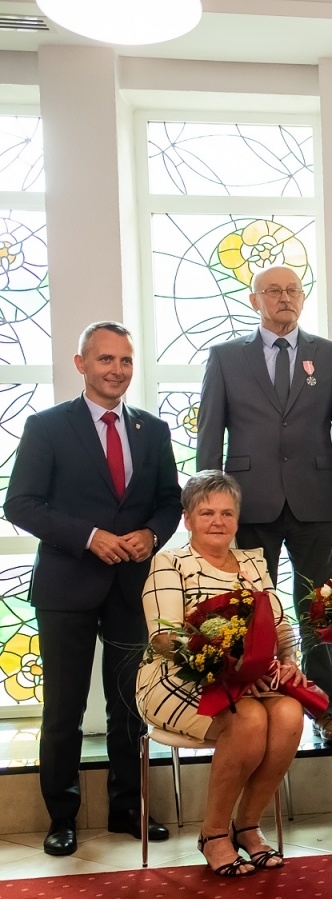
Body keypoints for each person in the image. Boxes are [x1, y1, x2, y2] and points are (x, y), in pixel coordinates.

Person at [4, 321, 183, 858]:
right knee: (64, 708)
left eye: (126, 361)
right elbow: (21, 504)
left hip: (132, 586)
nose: (117, 370)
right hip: (66, 586)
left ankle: (129, 808)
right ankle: (62, 816)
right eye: (106, 360)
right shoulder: (47, 427)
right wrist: (89, 538)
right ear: (82, 364)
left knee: (130, 704)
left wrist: (151, 534)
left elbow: (169, 502)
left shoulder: (153, 430)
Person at [197, 264, 332, 717]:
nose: (283, 298)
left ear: (304, 298)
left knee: (317, 603)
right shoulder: (226, 357)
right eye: (273, 291)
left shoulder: (329, 355)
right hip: (249, 502)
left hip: (315, 499)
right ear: (255, 300)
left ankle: (321, 699)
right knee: (252, 605)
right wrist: (209, 506)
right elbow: (210, 434)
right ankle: (257, 689)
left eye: (292, 290)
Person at [137, 472, 306, 877]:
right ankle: (213, 834)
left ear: (237, 518)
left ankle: (247, 826)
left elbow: (280, 624)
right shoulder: (170, 561)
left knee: (288, 715)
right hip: (179, 678)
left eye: (227, 513)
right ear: (187, 519)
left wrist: (290, 659)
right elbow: (164, 638)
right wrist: (221, 665)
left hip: (251, 680)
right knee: (247, 720)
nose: (218, 521)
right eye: (206, 512)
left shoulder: (253, 561)